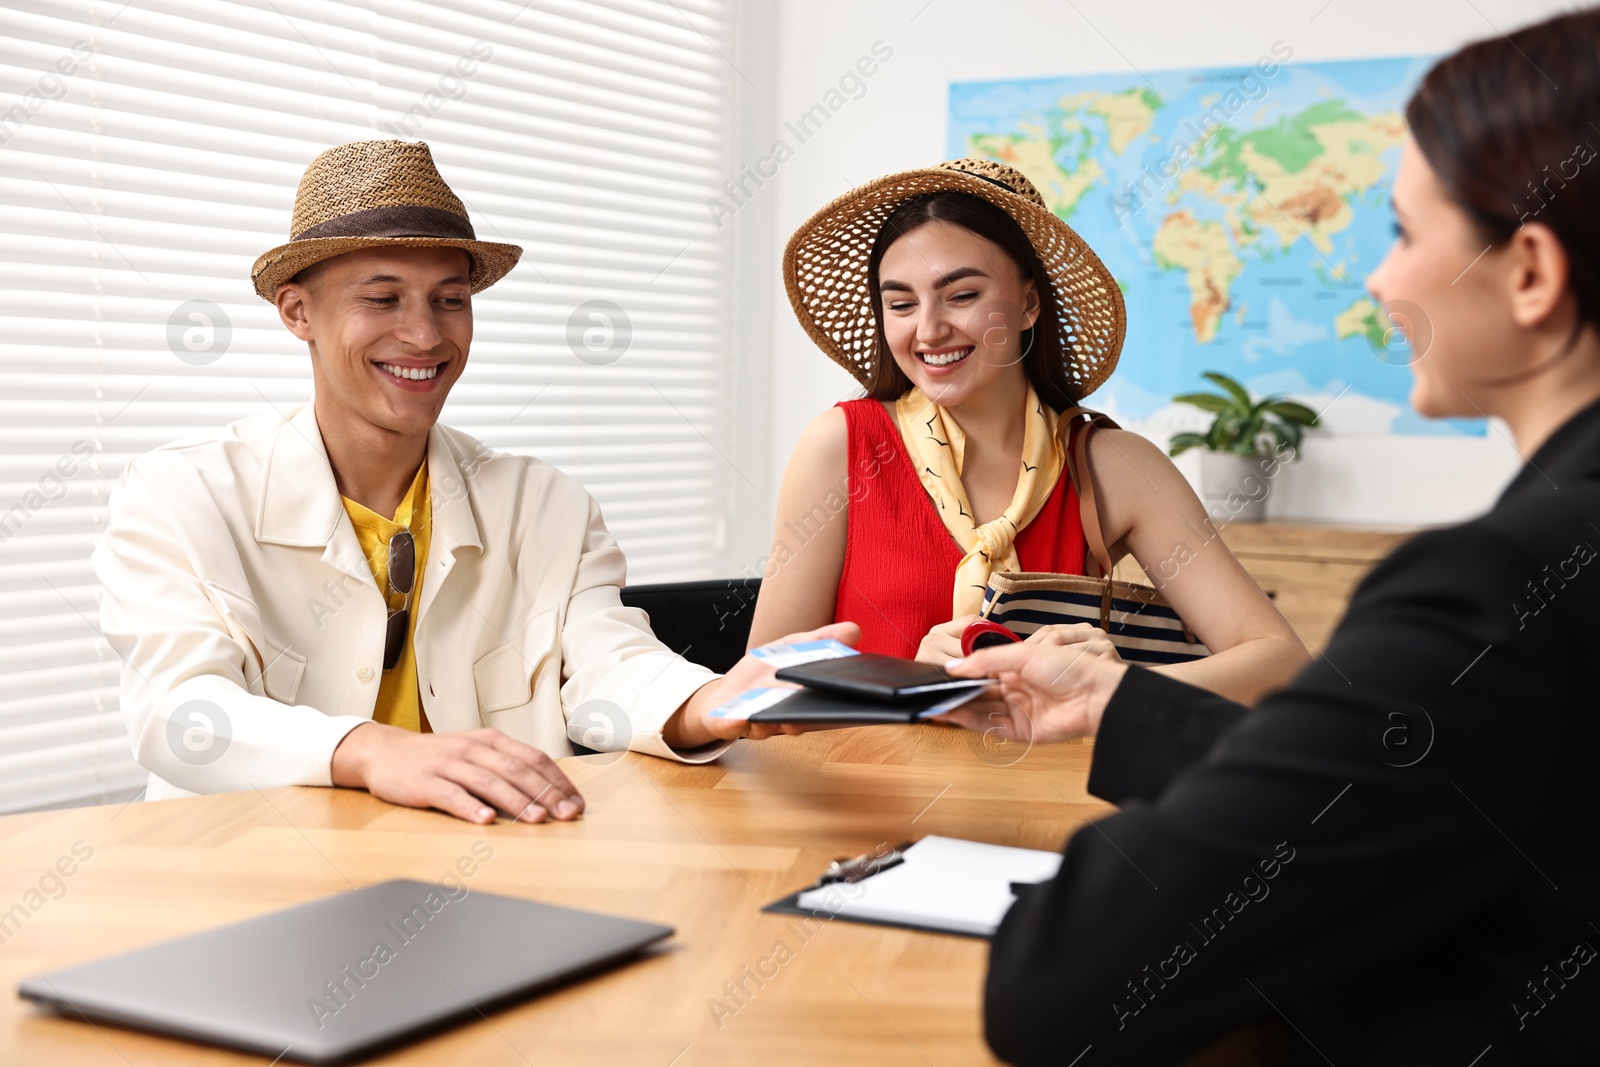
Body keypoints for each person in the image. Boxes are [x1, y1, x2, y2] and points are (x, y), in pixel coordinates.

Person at [935, 9, 1600, 1063]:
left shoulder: (1496, 593)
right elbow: (1434, 780)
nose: (1379, 282)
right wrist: (1128, 706)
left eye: (1402, 232)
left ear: (1529, 271)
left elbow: (1057, 980)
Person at [93, 140, 850, 825]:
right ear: (299, 311)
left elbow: (607, 666)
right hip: (249, 888)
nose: (425, 334)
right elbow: (180, 711)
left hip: (483, 880)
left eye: (450, 299)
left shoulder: (543, 504)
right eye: (382, 298)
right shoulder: (180, 494)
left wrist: (705, 700)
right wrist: (368, 749)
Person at [750, 158, 1307, 705]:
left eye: (962, 295)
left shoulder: (1115, 465)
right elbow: (758, 684)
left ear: (1029, 303)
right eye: (900, 303)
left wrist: (1115, 688)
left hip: (1053, 791)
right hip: (876, 787)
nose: (928, 329)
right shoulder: (841, 447)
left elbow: (1280, 661)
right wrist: (906, 681)